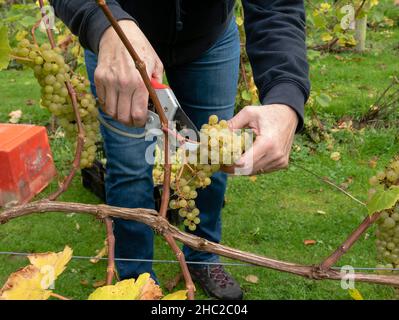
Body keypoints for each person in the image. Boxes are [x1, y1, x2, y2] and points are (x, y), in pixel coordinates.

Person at [51, 0, 310, 300]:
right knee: (129, 169)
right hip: (117, 50)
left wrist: (285, 95)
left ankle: (203, 256)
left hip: (208, 43)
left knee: (211, 162)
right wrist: (103, 22)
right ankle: (136, 278)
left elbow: (275, 5)